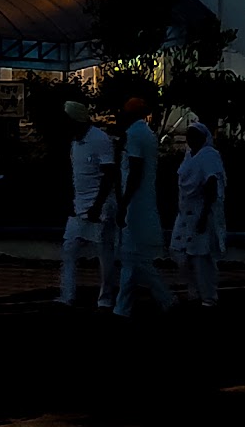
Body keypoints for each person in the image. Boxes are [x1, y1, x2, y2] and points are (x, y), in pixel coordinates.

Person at [113, 98, 175, 318]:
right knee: (134, 259)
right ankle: (124, 306)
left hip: (135, 205)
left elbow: (135, 172)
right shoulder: (146, 134)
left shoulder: (134, 135)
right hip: (142, 202)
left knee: (133, 257)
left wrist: (124, 203)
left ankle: (164, 299)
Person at [57, 99, 118, 309]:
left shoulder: (99, 139)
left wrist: (98, 205)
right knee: (69, 249)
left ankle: (105, 298)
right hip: (79, 206)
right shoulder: (75, 142)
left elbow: (109, 174)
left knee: (104, 253)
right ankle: (67, 295)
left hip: (99, 207)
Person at [169, 122, 226, 308]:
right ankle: (193, 292)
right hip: (185, 212)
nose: (190, 139)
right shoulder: (188, 156)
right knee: (180, 253)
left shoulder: (209, 156)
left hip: (201, 212)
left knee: (201, 257)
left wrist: (203, 217)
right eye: (188, 135)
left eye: (194, 135)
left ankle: (208, 297)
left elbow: (210, 185)